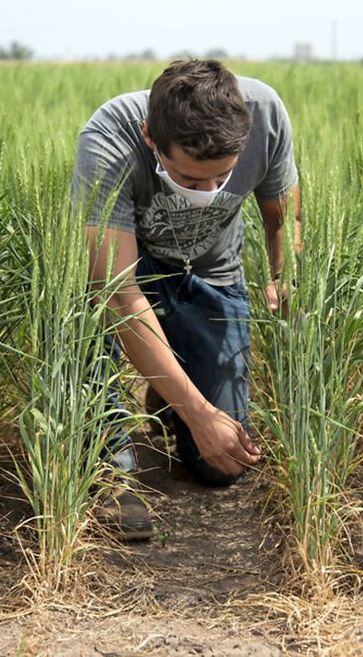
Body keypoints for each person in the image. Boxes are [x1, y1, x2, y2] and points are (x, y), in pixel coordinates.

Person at [70, 59, 301, 541]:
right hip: (131, 272)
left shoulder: (266, 114)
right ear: (151, 137)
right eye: (192, 182)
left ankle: (169, 389)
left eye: (223, 178)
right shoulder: (111, 137)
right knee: (83, 308)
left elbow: (281, 215)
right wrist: (199, 413)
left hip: (210, 273)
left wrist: (284, 276)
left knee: (222, 465)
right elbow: (117, 296)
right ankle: (110, 470)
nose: (212, 193)